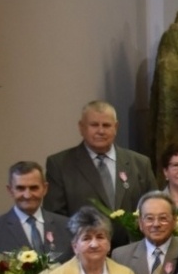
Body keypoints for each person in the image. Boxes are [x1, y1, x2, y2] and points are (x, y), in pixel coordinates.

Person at [44, 100, 155, 245]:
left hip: (131, 254)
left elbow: (153, 208)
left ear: (116, 127)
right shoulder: (60, 164)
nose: (101, 131)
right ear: (81, 127)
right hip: (84, 253)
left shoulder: (140, 163)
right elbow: (55, 218)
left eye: (106, 125)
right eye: (94, 125)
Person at [111, 191, 178, 274]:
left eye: (163, 218)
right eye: (149, 218)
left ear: (174, 221)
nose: (156, 224)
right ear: (140, 223)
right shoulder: (120, 256)